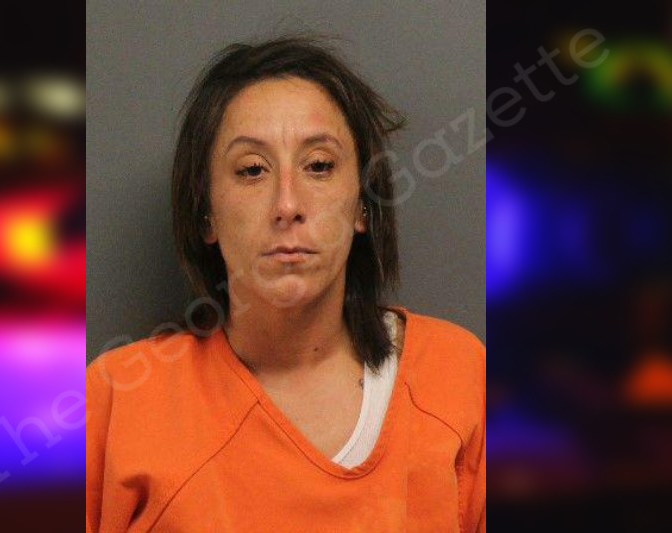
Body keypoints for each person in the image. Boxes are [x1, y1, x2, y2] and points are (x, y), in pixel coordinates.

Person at [87, 36, 485, 532]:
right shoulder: (119, 402)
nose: (287, 205)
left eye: (319, 166)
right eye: (252, 170)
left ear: (363, 205)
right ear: (207, 213)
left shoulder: (460, 378)